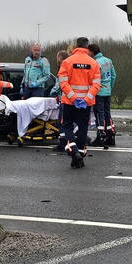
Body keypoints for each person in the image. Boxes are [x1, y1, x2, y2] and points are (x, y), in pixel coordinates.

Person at [57, 38, 101, 169]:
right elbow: (97, 85)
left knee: (67, 127)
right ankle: (79, 156)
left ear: (76, 46)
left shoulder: (67, 62)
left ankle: (75, 152)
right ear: (87, 47)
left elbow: (63, 83)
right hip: (85, 104)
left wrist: (73, 98)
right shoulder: (93, 63)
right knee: (82, 128)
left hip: (70, 103)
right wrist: (86, 99)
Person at [90, 43, 117, 145]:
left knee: (99, 113)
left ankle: (100, 136)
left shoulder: (95, 62)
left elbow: (93, 78)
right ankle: (110, 135)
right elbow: (114, 75)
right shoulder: (108, 61)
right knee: (107, 113)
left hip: (99, 92)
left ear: (92, 52)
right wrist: (110, 87)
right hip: (107, 91)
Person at [50, 49, 70, 150]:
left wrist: (52, 93)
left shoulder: (63, 67)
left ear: (61, 58)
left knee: (61, 121)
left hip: (64, 98)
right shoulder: (70, 65)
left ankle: (63, 143)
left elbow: (59, 84)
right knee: (67, 121)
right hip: (70, 98)